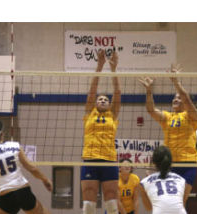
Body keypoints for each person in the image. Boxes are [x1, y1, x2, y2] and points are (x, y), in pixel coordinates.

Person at [139, 64, 197, 206]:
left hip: (188, 164)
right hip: (169, 164)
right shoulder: (167, 117)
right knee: (166, 202)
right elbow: (150, 110)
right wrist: (149, 91)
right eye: (174, 97)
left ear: (185, 103)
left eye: (179, 98)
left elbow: (186, 97)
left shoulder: (192, 116)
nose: (176, 99)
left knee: (180, 202)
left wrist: (176, 82)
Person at [0, 119, 52, 214]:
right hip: (23, 191)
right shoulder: (15, 146)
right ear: (1, 134)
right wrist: (45, 180)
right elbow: (31, 168)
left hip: (6, 195)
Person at [81, 49, 121, 214]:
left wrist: (113, 69)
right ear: (95, 103)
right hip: (90, 158)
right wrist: (99, 66)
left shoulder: (113, 113)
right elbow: (92, 90)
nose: (103, 100)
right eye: (100, 99)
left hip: (109, 159)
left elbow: (117, 93)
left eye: (106, 99)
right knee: (89, 200)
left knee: (111, 199)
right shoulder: (90, 111)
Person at [140, 145, 187, 214]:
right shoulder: (182, 180)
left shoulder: (144, 183)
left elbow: (148, 207)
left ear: (154, 162)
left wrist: (149, 180)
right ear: (170, 161)